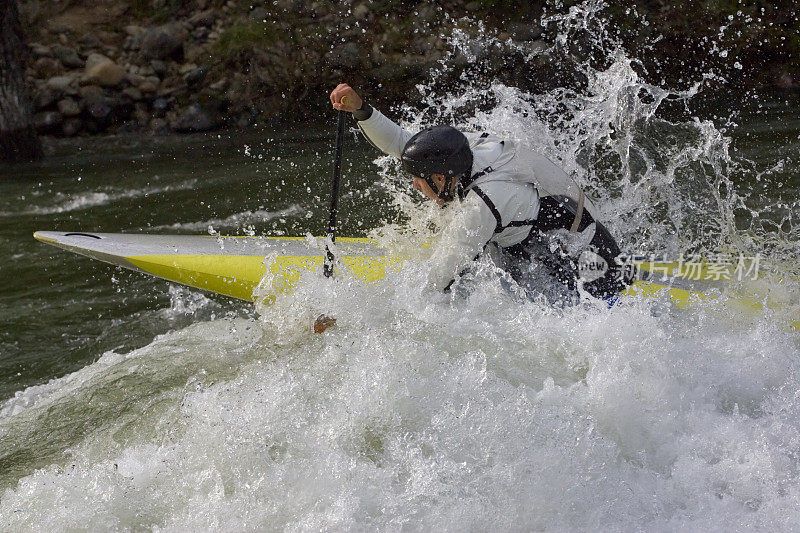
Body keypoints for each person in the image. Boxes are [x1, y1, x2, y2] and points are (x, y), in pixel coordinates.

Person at [329, 83, 635, 304]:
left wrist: (360, 317)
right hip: (541, 234)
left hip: (589, 260)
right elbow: (402, 143)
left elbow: (434, 282)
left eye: (418, 181)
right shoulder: (465, 149)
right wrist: (362, 110)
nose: (415, 187)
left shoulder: (483, 206)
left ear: (439, 176)